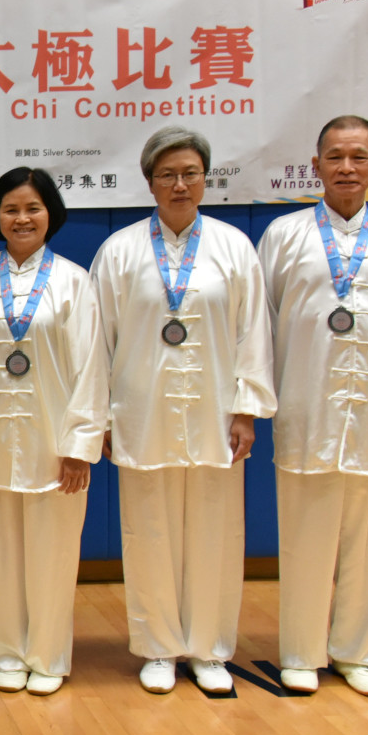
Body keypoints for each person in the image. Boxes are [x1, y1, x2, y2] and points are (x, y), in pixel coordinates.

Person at [90, 126, 276, 695]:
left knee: (215, 531)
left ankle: (210, 648)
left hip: (215, 415)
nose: (179, 184)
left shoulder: (234, 247)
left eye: (190, 173)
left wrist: (246, 409)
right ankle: (158, 647)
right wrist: (101, 418)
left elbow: (253, 333)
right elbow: (97, 343)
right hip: (141, 413)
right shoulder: (120, 251)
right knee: (148, 530)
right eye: (167, 174)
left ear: (205, 179)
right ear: (149, 181)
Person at [256, 115, 368, 697]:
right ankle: (301, 651)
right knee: (306, 535)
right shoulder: (284, 235)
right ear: (316, 165)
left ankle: (357, 652)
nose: (346, 168)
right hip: (308, 408)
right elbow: (264, 323)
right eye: (335, 157)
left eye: (358, 157)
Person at [0, 168, 106, 697]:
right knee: (2, 552)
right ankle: (7, 652)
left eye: (33, 209)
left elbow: (92, 366)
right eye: (11, 209)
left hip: (54, 439)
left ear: (51, 215)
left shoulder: (74, 280)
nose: (22, 219)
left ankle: (47, 654)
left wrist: (81, 444)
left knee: (54, 551)